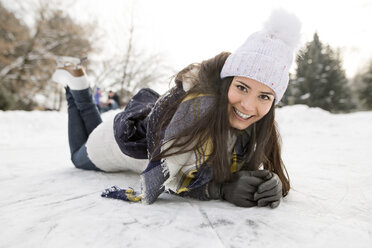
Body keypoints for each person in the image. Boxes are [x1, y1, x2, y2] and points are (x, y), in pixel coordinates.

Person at [51, 9, 301, 208]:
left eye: (265, 96)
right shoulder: (197, 111)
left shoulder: (252, 124)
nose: (249, 105)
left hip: (129, 124)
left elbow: (232, 161)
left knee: (91, 124)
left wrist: (269, 183)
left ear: (274, 101)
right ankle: (76, 85)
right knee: (77, 156)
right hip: (107, 146)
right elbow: (159, 180)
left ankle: (75, 80)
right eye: (243, 87)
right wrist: (219, 190)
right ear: (227, 82)